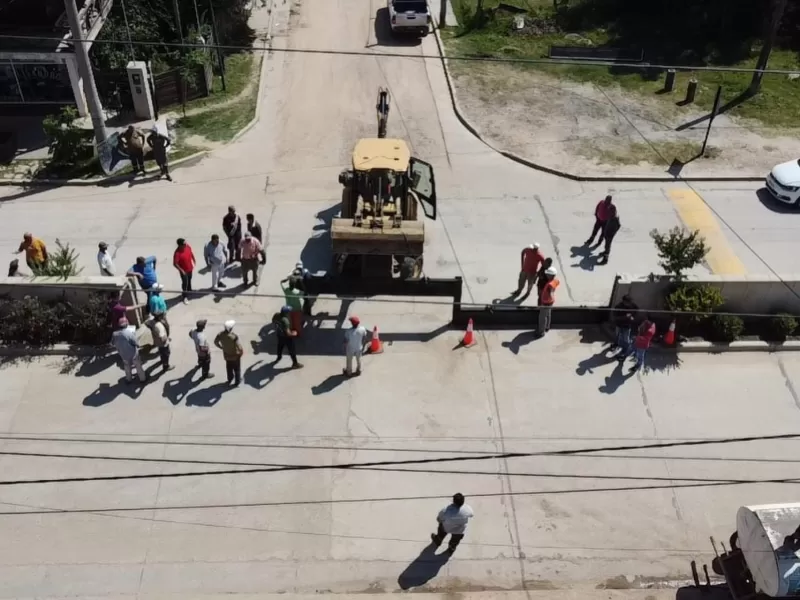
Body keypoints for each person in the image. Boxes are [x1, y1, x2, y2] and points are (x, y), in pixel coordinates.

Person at [112, 318, 146, 383]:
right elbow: (136, 343)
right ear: (127, 324)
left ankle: (128, 379)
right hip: (133, 354)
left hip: (123, 355)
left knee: (127, 368)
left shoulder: (114, 334)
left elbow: (112, 343)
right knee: (138, 367)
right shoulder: (129, 333)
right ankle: (142, 379)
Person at [214, 320, 244, 386]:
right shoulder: (233, 336)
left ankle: (230, 379)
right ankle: (237, 381)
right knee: (237, 369)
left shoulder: (220, 334)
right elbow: (240, 347)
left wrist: (221, 347)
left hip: (226, 355)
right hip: (235, 356)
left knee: (229, 368)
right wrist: (241, 353)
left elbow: (215, 342)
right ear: (230, 328)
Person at [537, 266, 559, 337]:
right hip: (550, 302)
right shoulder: (555, 280)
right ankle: (547, 327)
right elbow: (558, 283)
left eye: (548, 274)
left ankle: (541, 332)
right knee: (548, 314)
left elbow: (551, 291)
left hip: (546, 302)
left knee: (542, 318)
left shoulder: (550, 284)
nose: (546, 275)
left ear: (551, 275)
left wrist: (550, 294)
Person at [173, 238, 196, 303]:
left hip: (190, 268)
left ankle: (189, 289)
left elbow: (191, 253)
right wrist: (181, 270)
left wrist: (194, 259)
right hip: (184, 271)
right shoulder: (177, 253)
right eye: (184, 244)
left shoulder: (187, 246)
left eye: (185, 243)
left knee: (190, 278)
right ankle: (185, 296)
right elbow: (175, 264)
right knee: (185, 283)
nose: (185, 245)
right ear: (179, 245)